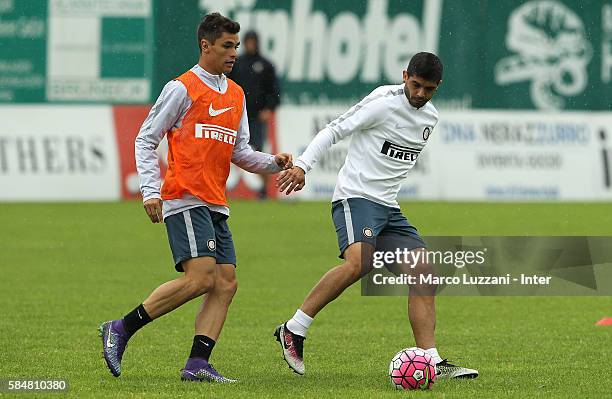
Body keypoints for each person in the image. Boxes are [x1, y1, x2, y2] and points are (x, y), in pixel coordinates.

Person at [98, 12, 292, 383]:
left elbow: (241, 152)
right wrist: (150, 190)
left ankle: (198, 364)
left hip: (215, 201)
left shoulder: (235, 93)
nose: (234, 53)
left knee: (226, 281)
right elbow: (145, 138)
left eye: (236, 45)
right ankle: (120, 328)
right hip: (185, 196)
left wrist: (274, 162)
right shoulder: (181, 88)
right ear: (206, 46)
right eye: (227, 46)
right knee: (202, 277)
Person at [274, 52, 479, 380]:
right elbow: (334, 130)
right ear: (404, 76)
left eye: (429, 89)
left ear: (437, 87)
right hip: (355, 198)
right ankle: (293, 330)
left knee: (424, 271)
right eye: (415, 85)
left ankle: (431, 360)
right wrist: (302, 165)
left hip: (388, 207)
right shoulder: (383, 101)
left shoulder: (431, 118)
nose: (420, 94)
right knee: (359, 262)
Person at [227, 30, 281, 198]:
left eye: (253, 42)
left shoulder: (265, 65)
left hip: (256, 116)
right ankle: (219, 188)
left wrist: (269, 108)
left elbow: (275, 91)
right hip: (237, 114)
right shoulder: (237, 63)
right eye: (248, 42)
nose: (250, 45)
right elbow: (228, 86)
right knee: (226, 148)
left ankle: (264, 189)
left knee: (256, 150)